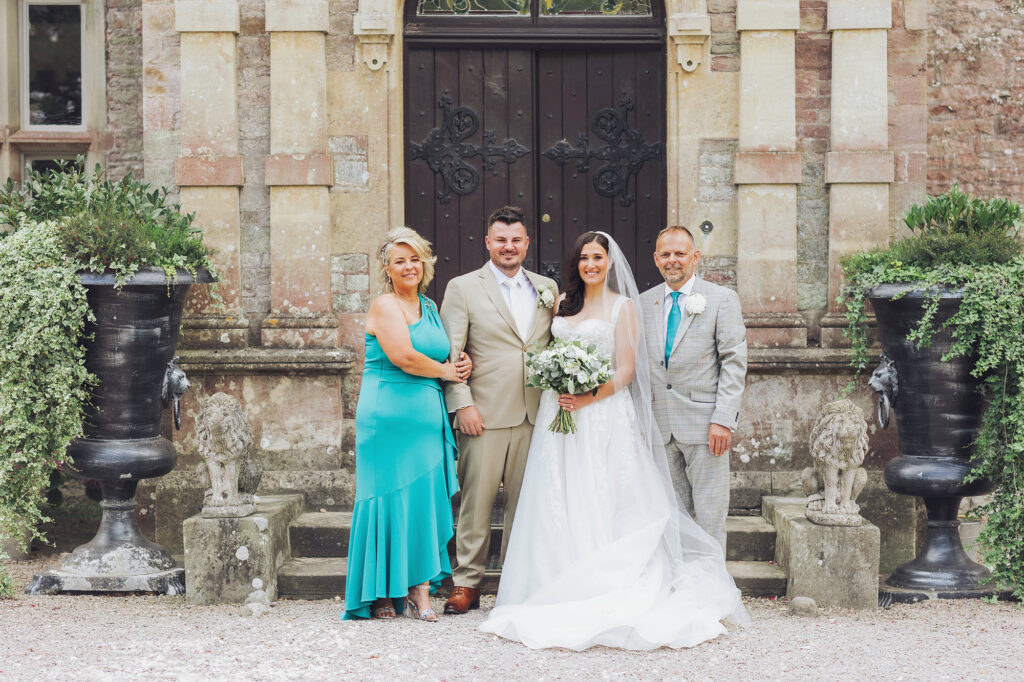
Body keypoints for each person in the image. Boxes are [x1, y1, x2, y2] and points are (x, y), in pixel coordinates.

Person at [480, 231, 747, 650]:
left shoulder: (627, 306)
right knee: (560, 495)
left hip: (604, 414)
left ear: (610, 262)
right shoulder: (564, 304)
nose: (591, 264)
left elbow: (625, 370)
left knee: (624, 496)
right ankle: (560, 578)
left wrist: (587, 397)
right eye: (584, 257)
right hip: (560, 416)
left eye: (598, 257)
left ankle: (709, 593)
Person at [342, 227, 472, 622]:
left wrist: (460, 364)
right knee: (384, 498)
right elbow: (405, 357)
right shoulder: (385, 305)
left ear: (425, 262)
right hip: (388, 416)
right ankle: (380, 591)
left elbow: (443, 356)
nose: (409, 266)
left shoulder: (430, 308)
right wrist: (448, 372)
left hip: (426, 417)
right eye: (400, 260)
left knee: (422, 501)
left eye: (415, 258)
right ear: (387, 268)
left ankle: (419, 590)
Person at [439, 206, 558, 615]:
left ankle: (515, 580)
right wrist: (463, 404)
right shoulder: (463, 287)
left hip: (535, 412)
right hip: (484, 413)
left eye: (516, 240)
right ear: (488, 242)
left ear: (527, 243)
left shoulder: (547, 288)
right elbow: (450, 352)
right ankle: (467, 582)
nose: (509, 247)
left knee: (525, 504)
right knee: (477, 501)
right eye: (501, 239)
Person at [640, 226, 747, 551]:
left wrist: (723, 420)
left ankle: (712, 587)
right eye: (666, 254)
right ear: (656, 259)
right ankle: (682, 584)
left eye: (680, 253)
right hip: (660, 427)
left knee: (710, 515)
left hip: (705, 427)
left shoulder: (721, 299)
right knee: (673, 515)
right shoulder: (645, 303)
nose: (673, 260)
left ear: (695, 257)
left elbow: (733, 361)